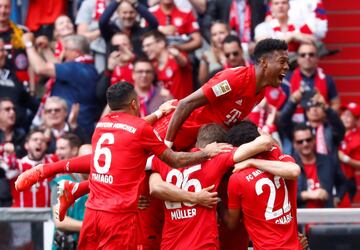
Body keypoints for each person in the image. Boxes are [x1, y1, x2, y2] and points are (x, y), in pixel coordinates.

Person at [16, 82, 229, 249]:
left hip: (93, 212)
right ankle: (73, 187)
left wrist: (158, 114)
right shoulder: (140, 129)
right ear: (134, 104)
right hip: (117, 217)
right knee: (139, 162)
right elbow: (174, 159)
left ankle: (58, 177)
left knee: (121, 161)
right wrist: (205, 153)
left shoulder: (103, 123)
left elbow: (129, 129)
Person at [148, 122, 274, 249]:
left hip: (170, 245)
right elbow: (264, 143)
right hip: (202, 245)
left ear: (197, 142)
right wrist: (196, 198)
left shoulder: (162, 161)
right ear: (219, 146)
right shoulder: (216, 160)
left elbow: (154, 187)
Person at [163, 38, 289, 150]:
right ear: (264, 62)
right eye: (282, 61)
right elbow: (185, 104)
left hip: (198, 145)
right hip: (172, 134)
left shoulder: (260, 93)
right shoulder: (233, 80)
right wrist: (166, 147)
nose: (287, 67)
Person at [225, 121, 301, 249]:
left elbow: (232, 223)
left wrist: (219, 203)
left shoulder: (237, 178)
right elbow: (293, 168)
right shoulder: (278, 157)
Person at [23, 33, 101, 136]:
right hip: (80, 126)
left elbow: (40, 68)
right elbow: (59, 67)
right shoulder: (86, 67)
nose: (63, 53)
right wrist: (46, 50)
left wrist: (28, 45)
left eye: (66, 49)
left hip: (73, 130)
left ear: (76, 53)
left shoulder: (76, 68)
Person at [292, 123, 347, 208]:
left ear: (314, 140)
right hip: (301, 218)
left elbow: (343, 183)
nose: (305, 144)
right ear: (294, 144)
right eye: (300, 142)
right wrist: (307, 195)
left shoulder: (328, 161)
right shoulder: (290, 166)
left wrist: (337, 198)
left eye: (308, 139)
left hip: (327, 217)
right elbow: (284, 194)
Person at [282, 42, 340, 120]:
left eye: (311, 54)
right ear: (298, 59)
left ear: (317, 58)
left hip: (321, 125)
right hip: (294, 127)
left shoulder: (327, 79)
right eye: (303, 55)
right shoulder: (286, 80)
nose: (307, 57)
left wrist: (324, 115)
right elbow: (278, 109)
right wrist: (293, 100)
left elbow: (336, 104)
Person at [142, 30, 194, 100]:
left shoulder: (176, 57)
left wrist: (177, 54)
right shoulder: (153, 66)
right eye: (144, 46)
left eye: (148, 45)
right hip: (170, 109)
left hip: (187, 108)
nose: (145, 49)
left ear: (161, 43)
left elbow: (183, 63)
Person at [338, 103, 360, 204]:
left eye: (349, 116)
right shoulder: (335, 131)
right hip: (332, 177)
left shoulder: (358, 138)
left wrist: (345, 158)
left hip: (346, 180)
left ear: (356, 120)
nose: (345, 118)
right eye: (344, 114)